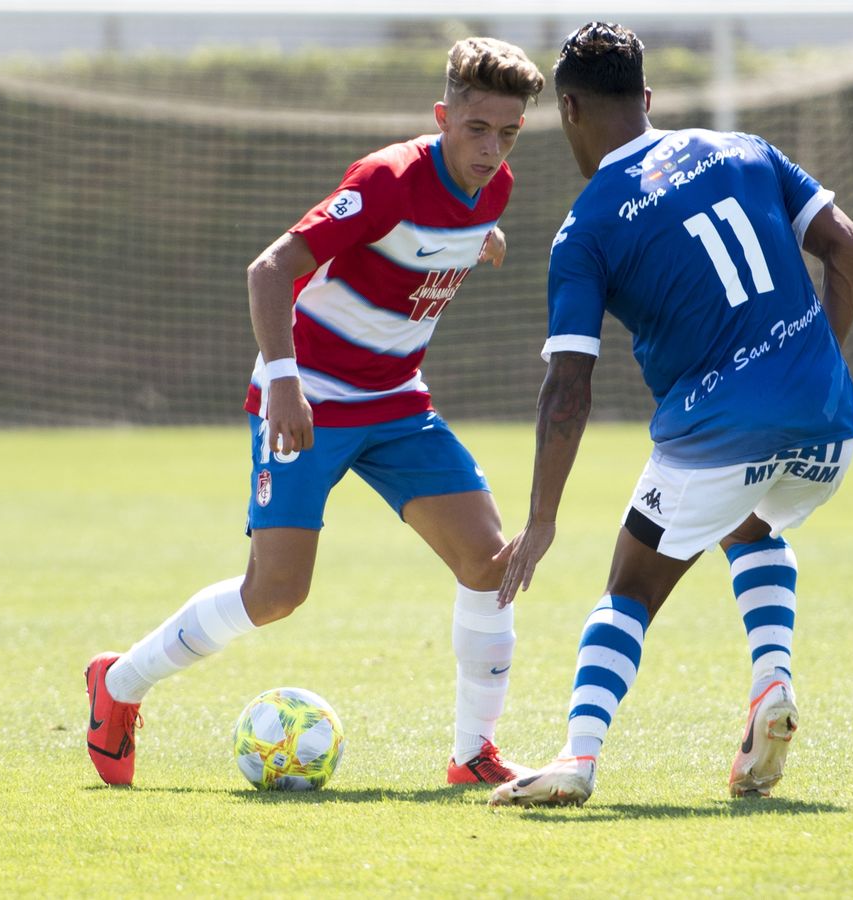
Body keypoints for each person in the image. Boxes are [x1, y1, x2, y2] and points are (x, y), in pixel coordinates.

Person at [84, 38, 546, 788]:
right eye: (477, 130)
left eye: (509, 134)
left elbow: (446, 229)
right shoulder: (387, 179)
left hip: (397, 401)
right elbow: (269, 269)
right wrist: (283, 383)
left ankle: (473, 754)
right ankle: (119, 682)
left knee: (490, 565)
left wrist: (477, 238)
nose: (492, 150)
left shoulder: (493, 189)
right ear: (442, 118)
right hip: (310, 399)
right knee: (276, 593)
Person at [488, 22, 853, 807]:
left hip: (719, 436)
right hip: (827, 424)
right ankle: (772, 684)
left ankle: (578, 756)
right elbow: (850, 248)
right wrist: (811, 368)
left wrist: (543, 516)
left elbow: (567, 386)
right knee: (750, 523)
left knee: (629, 586)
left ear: (568, 109)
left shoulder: (586, 228)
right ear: (647, 97)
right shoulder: (746, 149)